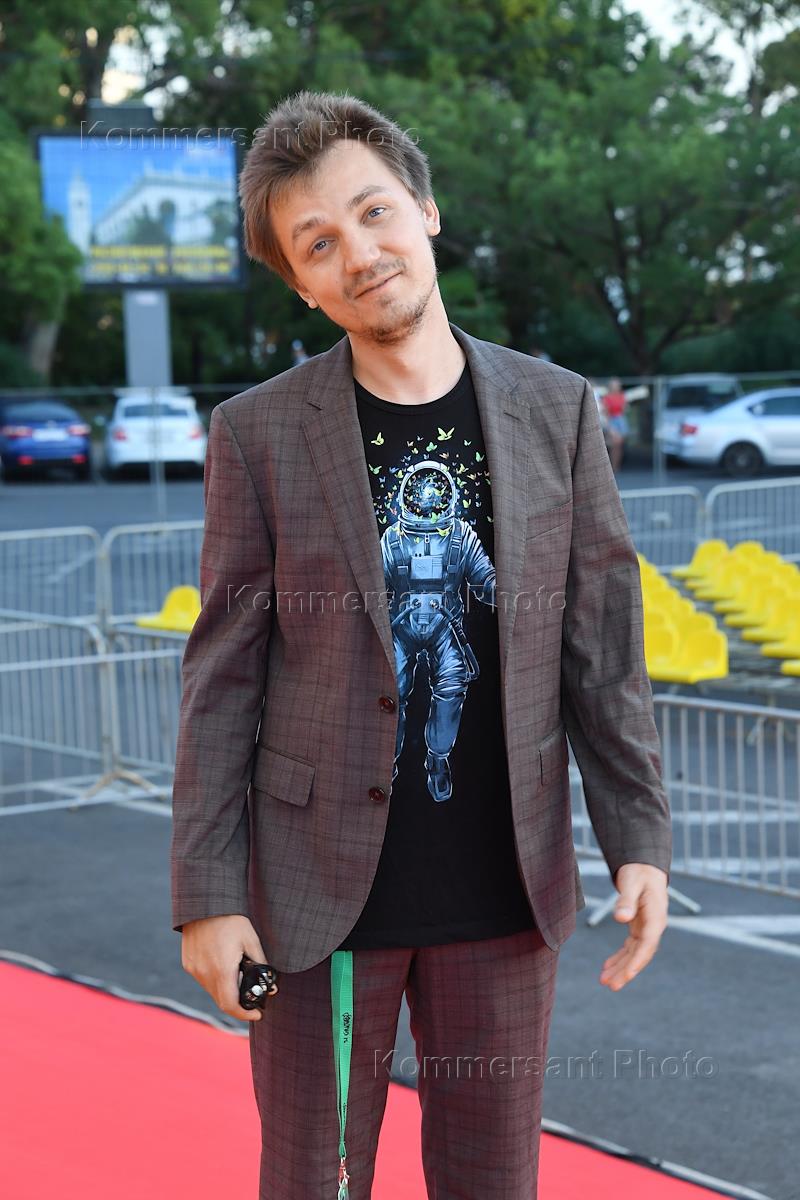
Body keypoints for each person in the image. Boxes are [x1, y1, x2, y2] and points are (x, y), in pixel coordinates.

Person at [171, 90, 672, 1200]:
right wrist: (206, 893)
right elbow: (222, 678)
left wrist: (636, 834)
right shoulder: (257, 434)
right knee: (314, 1182)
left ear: (426, 211)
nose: (359, 253)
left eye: (374, 212)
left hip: (506, 893)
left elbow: (601, 646)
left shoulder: (556, 411)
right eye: (318, 243)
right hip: (314, 910)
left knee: (493, 1183)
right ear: (299, 282)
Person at [601, 376, 630, 473]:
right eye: (614, 385)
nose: (616, 387)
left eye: (617, 385)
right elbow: (606, 412)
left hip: (620, 420)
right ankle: (611, 466)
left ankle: (616, 466)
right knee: (613, 444)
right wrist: (609, 426)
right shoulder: (607, 397)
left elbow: (624, 410)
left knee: (618, 445)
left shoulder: (622, 396)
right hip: (612, 420)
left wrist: (625, 407)